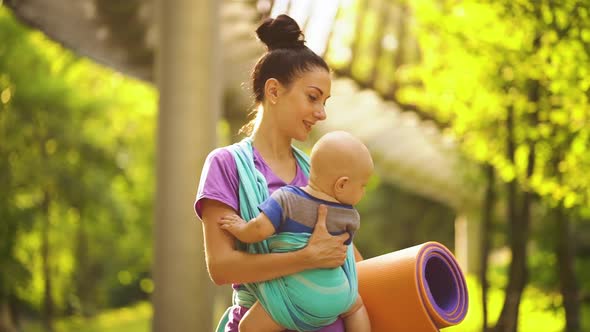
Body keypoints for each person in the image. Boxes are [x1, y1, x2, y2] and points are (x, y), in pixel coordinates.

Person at [195, 14, 363, 332]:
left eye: (325, 102)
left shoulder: (316, 171)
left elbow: (347, 256)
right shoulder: (226, 165)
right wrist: (306, 258)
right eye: (312, 97)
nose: (322, 113)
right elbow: (221, 267)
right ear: (273, 91)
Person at [218, 130, 373, 332]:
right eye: (362, 186)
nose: (363, 191)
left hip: (296, 295)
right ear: (341, 184)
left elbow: (258, 231)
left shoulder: (287, 199)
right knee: (356, 306)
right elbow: (347, 255)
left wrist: (239, 227)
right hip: (337, 294)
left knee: (248, 327)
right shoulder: (350, 218)